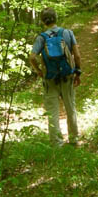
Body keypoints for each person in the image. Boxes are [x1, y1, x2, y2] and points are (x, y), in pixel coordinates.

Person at [29, 8, 82, 147]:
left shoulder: (41, 38)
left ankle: (56, 143)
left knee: (53, 112)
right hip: (67, 76)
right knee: (70, 108)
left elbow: (32, 57)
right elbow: (77, 55)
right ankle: (74, 139)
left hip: (50, 79)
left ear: (43, 21)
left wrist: (39, 71)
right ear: (56, 18)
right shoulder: (68, 33)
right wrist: (78, 72)